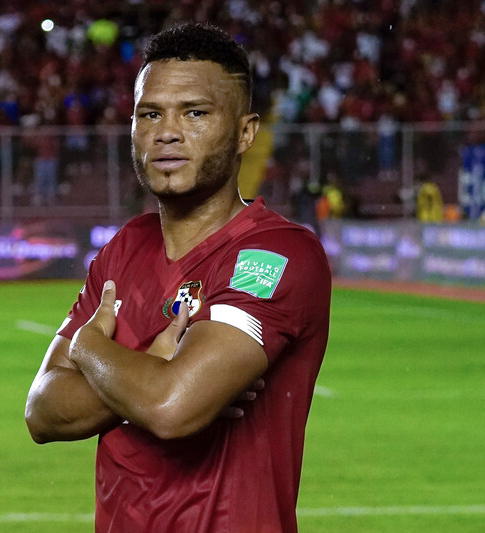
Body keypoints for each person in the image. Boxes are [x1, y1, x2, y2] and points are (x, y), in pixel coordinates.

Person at [25, 23, 331, 533]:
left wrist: (88, 348)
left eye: (195, 112)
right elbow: (42, 411)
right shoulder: (124, 247)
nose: (167, 131)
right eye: (150, 114)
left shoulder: (276, 254)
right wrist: (149, 365)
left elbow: (171, 408)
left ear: (245, 132)